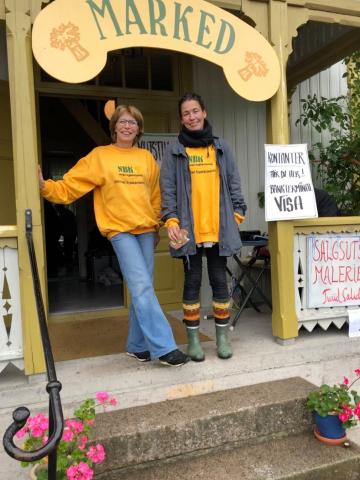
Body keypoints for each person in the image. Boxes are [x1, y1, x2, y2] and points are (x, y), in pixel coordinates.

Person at [38, 105, 189, 367]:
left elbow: (155, 197)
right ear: (114, 127)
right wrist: (46, 187)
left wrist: (156, 228)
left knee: (143, 289)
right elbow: (71, 185)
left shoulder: (146, 159)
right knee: (141, 286)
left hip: (145, 230)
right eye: (123, 122)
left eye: (133, 122)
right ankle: (164, 347)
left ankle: (137, 345)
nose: (128, 126)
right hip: (119, 231)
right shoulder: (100, 156)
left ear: (139, 129)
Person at [160, 92, 247, 362]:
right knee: (193, 282)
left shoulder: (221, 147)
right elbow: (168, 191)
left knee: (220, 282)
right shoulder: (175, 151)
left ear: (204, 112)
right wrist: (171, 220)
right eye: (186, 113)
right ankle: (194, 341)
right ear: (181, 119)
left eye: (195, 111)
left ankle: (222, 339)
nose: (192, 116)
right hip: (190, 232)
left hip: (219, 230)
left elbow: (234, 183)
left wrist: (236, 217)